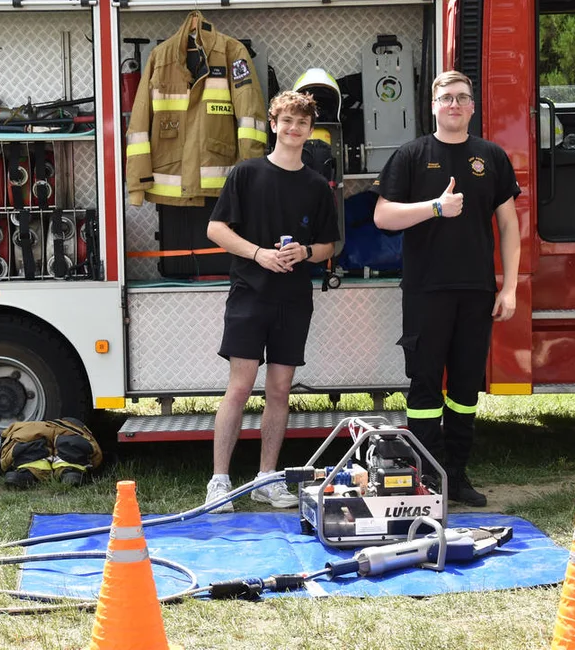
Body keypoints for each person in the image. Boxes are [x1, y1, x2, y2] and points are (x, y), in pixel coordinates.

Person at [371, 70, 520, 507]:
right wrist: (435, 208)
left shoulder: (490, 156)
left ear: (473, 107)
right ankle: (429, 479)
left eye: (462, 98)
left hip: (476, 291)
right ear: (433, 106)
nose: (454, 105)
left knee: (466, 389)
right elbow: (382, 216)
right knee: (424, 389)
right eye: (446, 98)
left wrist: (508, 288)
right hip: (426, 291)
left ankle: (456, 475)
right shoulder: (411, 155)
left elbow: (510, 226)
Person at [203, 90, 340, 512]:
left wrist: (307, 253)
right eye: (288, 121)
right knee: (240, 387)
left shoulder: (317, 186)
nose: (294, 128)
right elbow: (216, 230)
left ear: (309, 130)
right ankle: (219, 483)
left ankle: (266, 478)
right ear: (273, 124)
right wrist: (259, 253)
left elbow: (330, 242)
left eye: (302, 123)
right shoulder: (246, 174)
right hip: (249, 295)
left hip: (293, 300)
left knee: (279, 390)